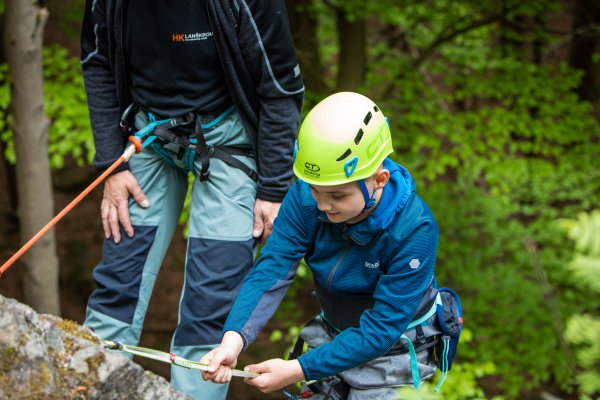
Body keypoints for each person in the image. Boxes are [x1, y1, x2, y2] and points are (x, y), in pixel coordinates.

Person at [79, 1, 304, 399]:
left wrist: (273, 188)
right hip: (148, 131)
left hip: (227, 138)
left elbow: (280, 86)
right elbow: (97, 62)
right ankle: (88, 384)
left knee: (213, 295)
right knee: (120, 276)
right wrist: (111, 166)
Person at [200, 92, 444, 399]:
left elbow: (382, 328)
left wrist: (297, 369)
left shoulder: (414, 230)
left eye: (338, 195)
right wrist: (233, 339)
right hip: (333, 330)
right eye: (316, 190)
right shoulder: (305, 199)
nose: (324, 205)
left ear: (379, 179)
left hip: (396, 345)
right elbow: (272, 268)